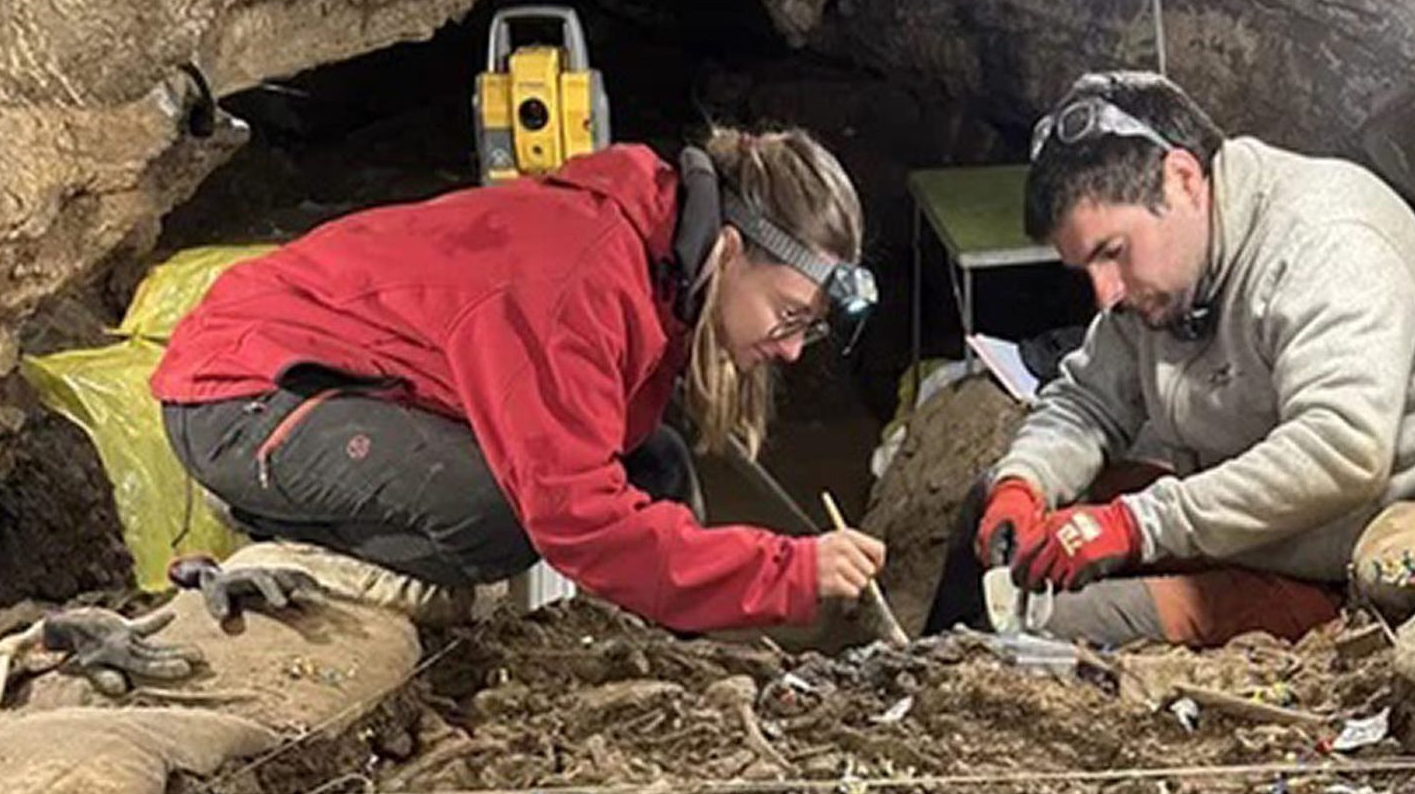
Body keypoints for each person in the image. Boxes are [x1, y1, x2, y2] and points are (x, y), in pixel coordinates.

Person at [150, 127, 885, 633]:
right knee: (501, 519)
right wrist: (790, 572)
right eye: (789, 315)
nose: (790, 351)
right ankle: (293, 545)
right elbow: (579, 523)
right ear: (729, 249)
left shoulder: (661, 267)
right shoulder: (582, 281)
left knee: (656, 465)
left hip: (353, 386)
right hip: (245, 394)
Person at [926, 71, 1415, 647]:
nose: (1104, 292)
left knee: (1055, 628)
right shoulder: (1167, 274)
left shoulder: (1329, 244)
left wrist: (1136, 526)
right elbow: (1087, 401)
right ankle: (910, 685)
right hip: (1229, 524)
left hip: (1342, 564)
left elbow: (1344, 448)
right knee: (992, 509)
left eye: (1112, 253)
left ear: (1184, 179)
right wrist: (1027, 480)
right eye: (1086, 268)